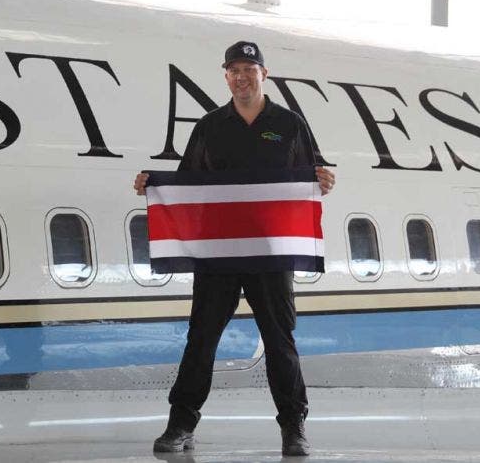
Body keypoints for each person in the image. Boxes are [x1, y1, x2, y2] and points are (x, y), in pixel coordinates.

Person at [133, 40, 335, 456]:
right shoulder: (210, 126)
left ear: (264, 74)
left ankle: (293, 428)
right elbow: (188, 185)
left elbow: (312, 173)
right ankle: (180, 424)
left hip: (270, 252)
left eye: (250, 69)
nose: (242, 77)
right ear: (226, 76)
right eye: (234, 70)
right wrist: (152, 187)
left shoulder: (289, 123)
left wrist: (325, 180)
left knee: (280, 341)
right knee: (201, 339)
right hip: (219, 254)